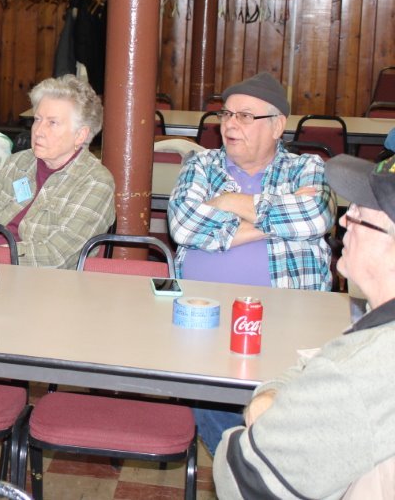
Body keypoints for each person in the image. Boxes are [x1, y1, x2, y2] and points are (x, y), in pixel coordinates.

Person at [168, 72, 337, 453]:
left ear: (277, 126)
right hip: (202, 316)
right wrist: (277, 223)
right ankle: (247, 462)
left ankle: (258, 461)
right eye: (226, 114)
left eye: (245, 116)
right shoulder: (201, 165)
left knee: (285, 403)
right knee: (205, 392)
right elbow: (183, 224)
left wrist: (226, 203)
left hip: (288, 316)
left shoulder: (307, 168)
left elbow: (315, 216)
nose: (230, 125)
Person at [213, 153, 395, 499]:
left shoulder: (373, 366)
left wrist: (267, 408)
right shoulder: (377, 325)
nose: (344, 220)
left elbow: (240, 475)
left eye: (360, 213)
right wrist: (279, 392)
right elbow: (328, 363)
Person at [0, 74, 115, 268]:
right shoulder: (18, 163)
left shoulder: (95, 182)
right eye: (37, 119)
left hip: (40, 279)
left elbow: (55, 257)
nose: (38, 131)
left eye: (52, 122)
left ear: (80, 135)